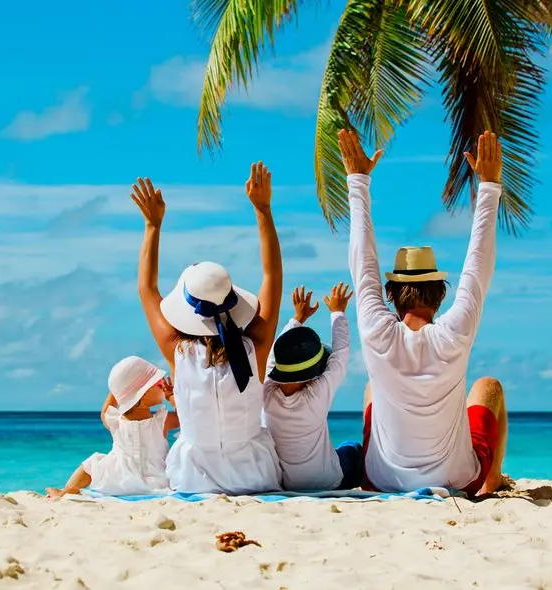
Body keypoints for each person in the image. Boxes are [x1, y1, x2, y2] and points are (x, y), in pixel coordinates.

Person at [341, 128, 509, 496]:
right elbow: (477, 267)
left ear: (390, 294)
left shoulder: (376, 330)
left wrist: (358, 181)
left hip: (380, 481)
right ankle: (491, 481)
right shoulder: (454, 331)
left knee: (372, 388)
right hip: (457, 479)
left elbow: (362, 263)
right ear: (441, 292)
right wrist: (489, 187)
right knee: (488, 387)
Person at [128, 163, 283, 494]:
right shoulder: (255, 346)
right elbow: (272, 277)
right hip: (255, 475)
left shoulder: (176, 350)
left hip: (192, 477)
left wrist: (152, 226)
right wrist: (263, 210)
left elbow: (146, 289)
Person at [262, 283, 364, 491]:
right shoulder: (316, 395)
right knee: (352, 448)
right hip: (328, 481)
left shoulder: (266, 391)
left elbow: (275, 356)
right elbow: (340, 356)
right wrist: (337, 312)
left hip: (286, 483)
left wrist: (297, 318)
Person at [45, 356, 179, 498]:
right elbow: (185, 418)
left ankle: (66, 492)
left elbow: (104, 412)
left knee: (92, 463)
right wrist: (171, 397)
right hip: (155, 480)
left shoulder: (116, 421)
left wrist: (117, 391)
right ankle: (66, 492)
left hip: (118, 479)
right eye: (159, 383)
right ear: (143, 393)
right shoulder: (162, 421)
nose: (164, 385)